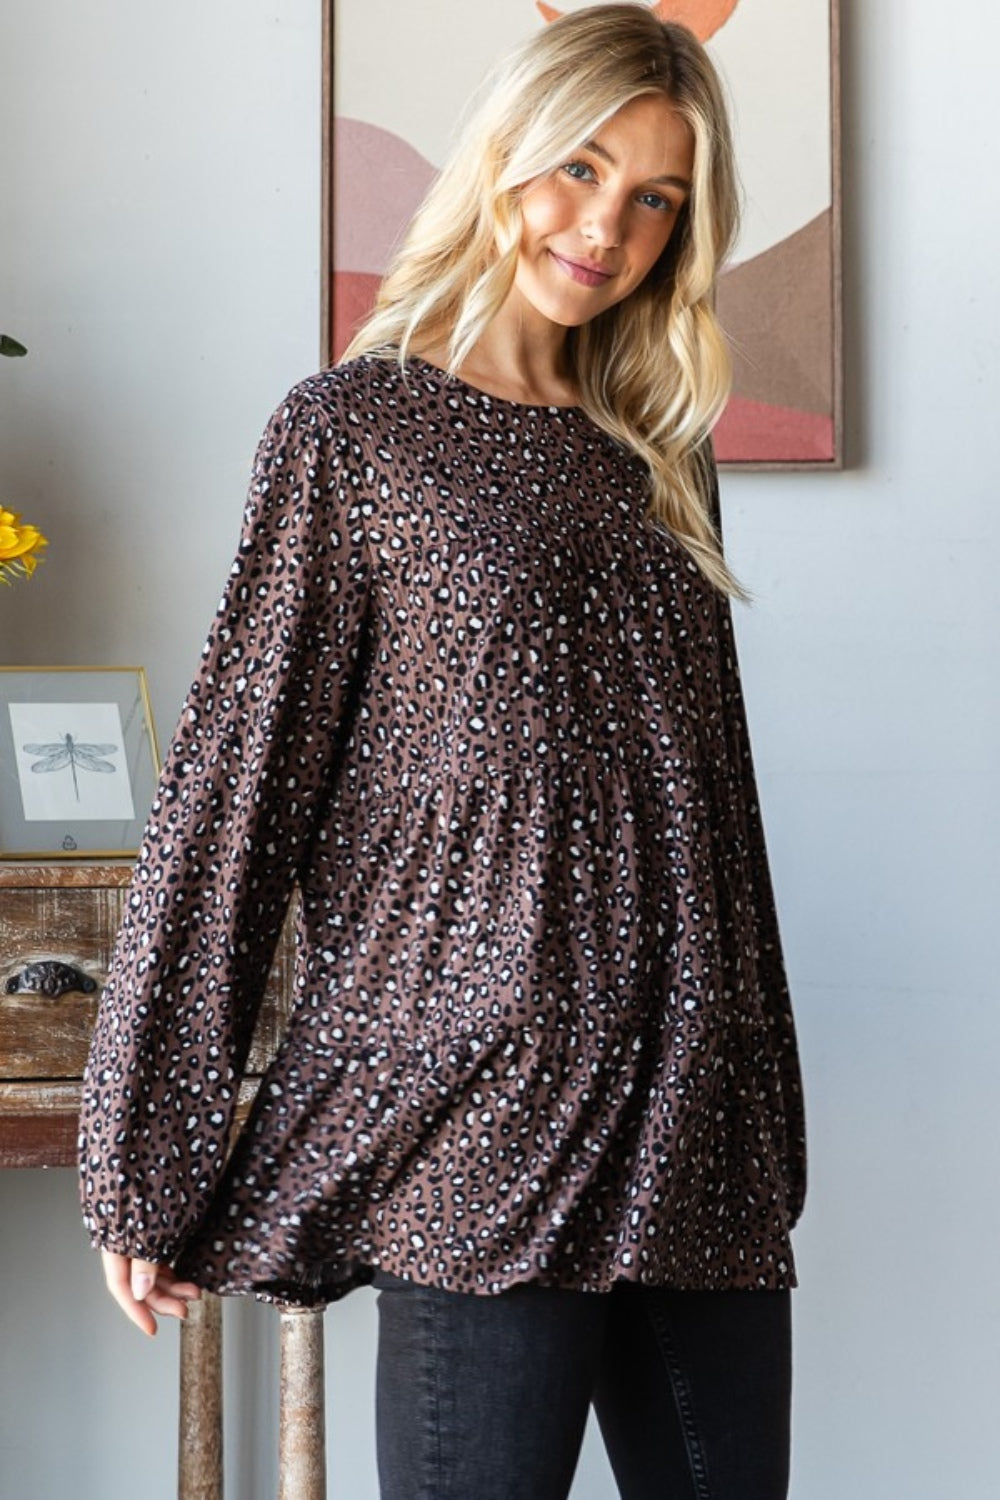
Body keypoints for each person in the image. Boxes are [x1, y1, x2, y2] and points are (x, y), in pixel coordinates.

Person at [79, 6, 806, 1497]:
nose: (606, 223)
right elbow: (236, 794)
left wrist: (764, 1098)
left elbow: (715, 806)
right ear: (506, 153)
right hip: (487, 1119)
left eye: (656, 195)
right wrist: (144, 1140)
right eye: (582, 168)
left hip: (690, 1119)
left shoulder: (664, 449)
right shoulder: (353, 433)